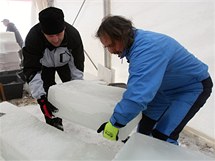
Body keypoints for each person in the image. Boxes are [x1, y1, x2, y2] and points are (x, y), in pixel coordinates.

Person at [96, 15, 213, 145]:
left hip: (191, 88)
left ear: (121, 35)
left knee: (163, 137)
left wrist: (115, 123)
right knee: (145, 128)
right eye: (106, 47)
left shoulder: (147, 50)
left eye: (111, 45)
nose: (111, 51)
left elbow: (139, 94)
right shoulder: (134, 43)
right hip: (164, 89)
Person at [22, 7, 85, 131]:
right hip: (44, 66)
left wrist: (78, 87)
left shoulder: (73, 35)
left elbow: (77, 65)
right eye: (50, 36)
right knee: (48, 93)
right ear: (42, 32)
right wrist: (41, 98)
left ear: (64, 28)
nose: (55, 39)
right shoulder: (32, 38)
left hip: (65, 64)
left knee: (72, 88)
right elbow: (31, 69)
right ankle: (54, 122)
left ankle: (72, 112)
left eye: (59, 34)